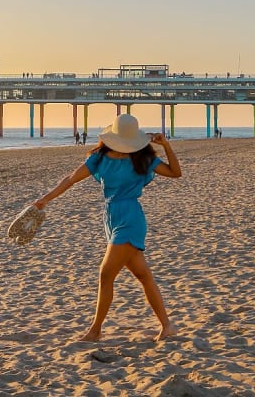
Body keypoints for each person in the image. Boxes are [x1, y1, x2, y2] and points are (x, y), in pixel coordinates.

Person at [33, 113, 182, 342]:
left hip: (131, 218)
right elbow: (71, 178)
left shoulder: (143, 158)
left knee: (105, 274)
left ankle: (95, 330)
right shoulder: (99, 158)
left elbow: (175, 173)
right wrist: (46, 198)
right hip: (111, 216)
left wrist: (166, 145)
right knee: (143, 276)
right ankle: (167, 326)